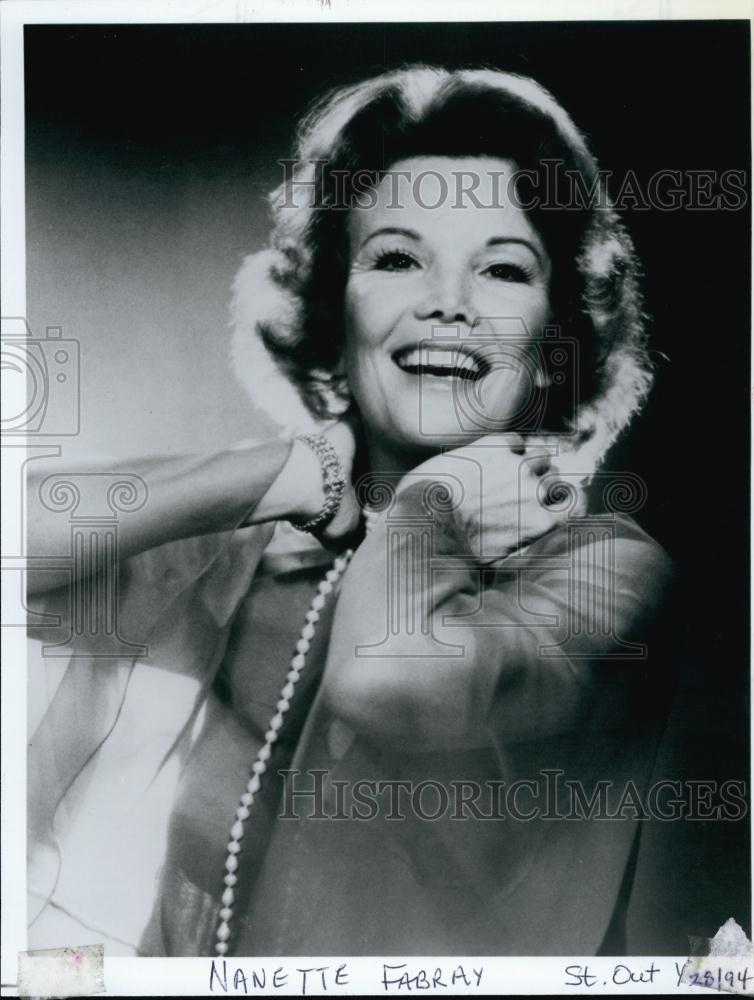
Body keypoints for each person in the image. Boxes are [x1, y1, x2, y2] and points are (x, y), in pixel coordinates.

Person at [26, 65, 677, 958]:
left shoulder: (609, 569)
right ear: (335, 307)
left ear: (555, 338)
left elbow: (387, 678)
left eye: (502, 269)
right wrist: (285, 471)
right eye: (398, 258)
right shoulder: (240, 558)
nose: (448, 301)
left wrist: (429, 499)